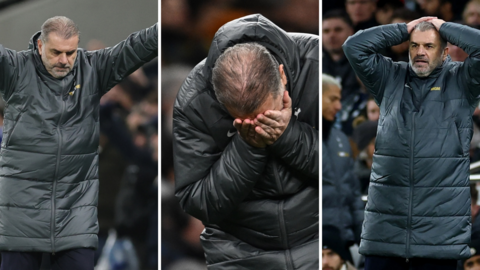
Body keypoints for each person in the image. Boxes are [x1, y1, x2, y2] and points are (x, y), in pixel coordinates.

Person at [0, 16, 157, 270]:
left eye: (70, 52)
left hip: (75, 218)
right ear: (40, 45)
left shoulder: (92, 68)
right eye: (56, 52)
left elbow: (137, 46)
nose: (64, 60)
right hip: (21, 216)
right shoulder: (16, 69)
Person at [172, 14, 318, 269]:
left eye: (268, 115)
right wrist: (247, 147)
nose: (259, 126)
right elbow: (199, 201)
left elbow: (344, 164)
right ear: (220, 101)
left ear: (282, 77)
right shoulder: (194, 100)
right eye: (245, 121)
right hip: (239, 251)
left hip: (318, 239)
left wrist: (287, 136)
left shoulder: (316, 64)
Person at [343, 15, 480, 270]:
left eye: (429, 46)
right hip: (385, 231)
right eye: (414, 45)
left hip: (438, 237)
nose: (420, 52)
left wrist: (445, 27)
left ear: (445, 51)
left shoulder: (463, 81)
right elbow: (353, 47)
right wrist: (403, 29)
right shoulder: (389, 77)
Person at [322, 73, 364, 248]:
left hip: (345, 240)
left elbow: (353, 193)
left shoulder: (341, 140)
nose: (339, 106)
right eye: (332, 99)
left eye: (339, 100)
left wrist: (362, 237)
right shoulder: (299, 137)